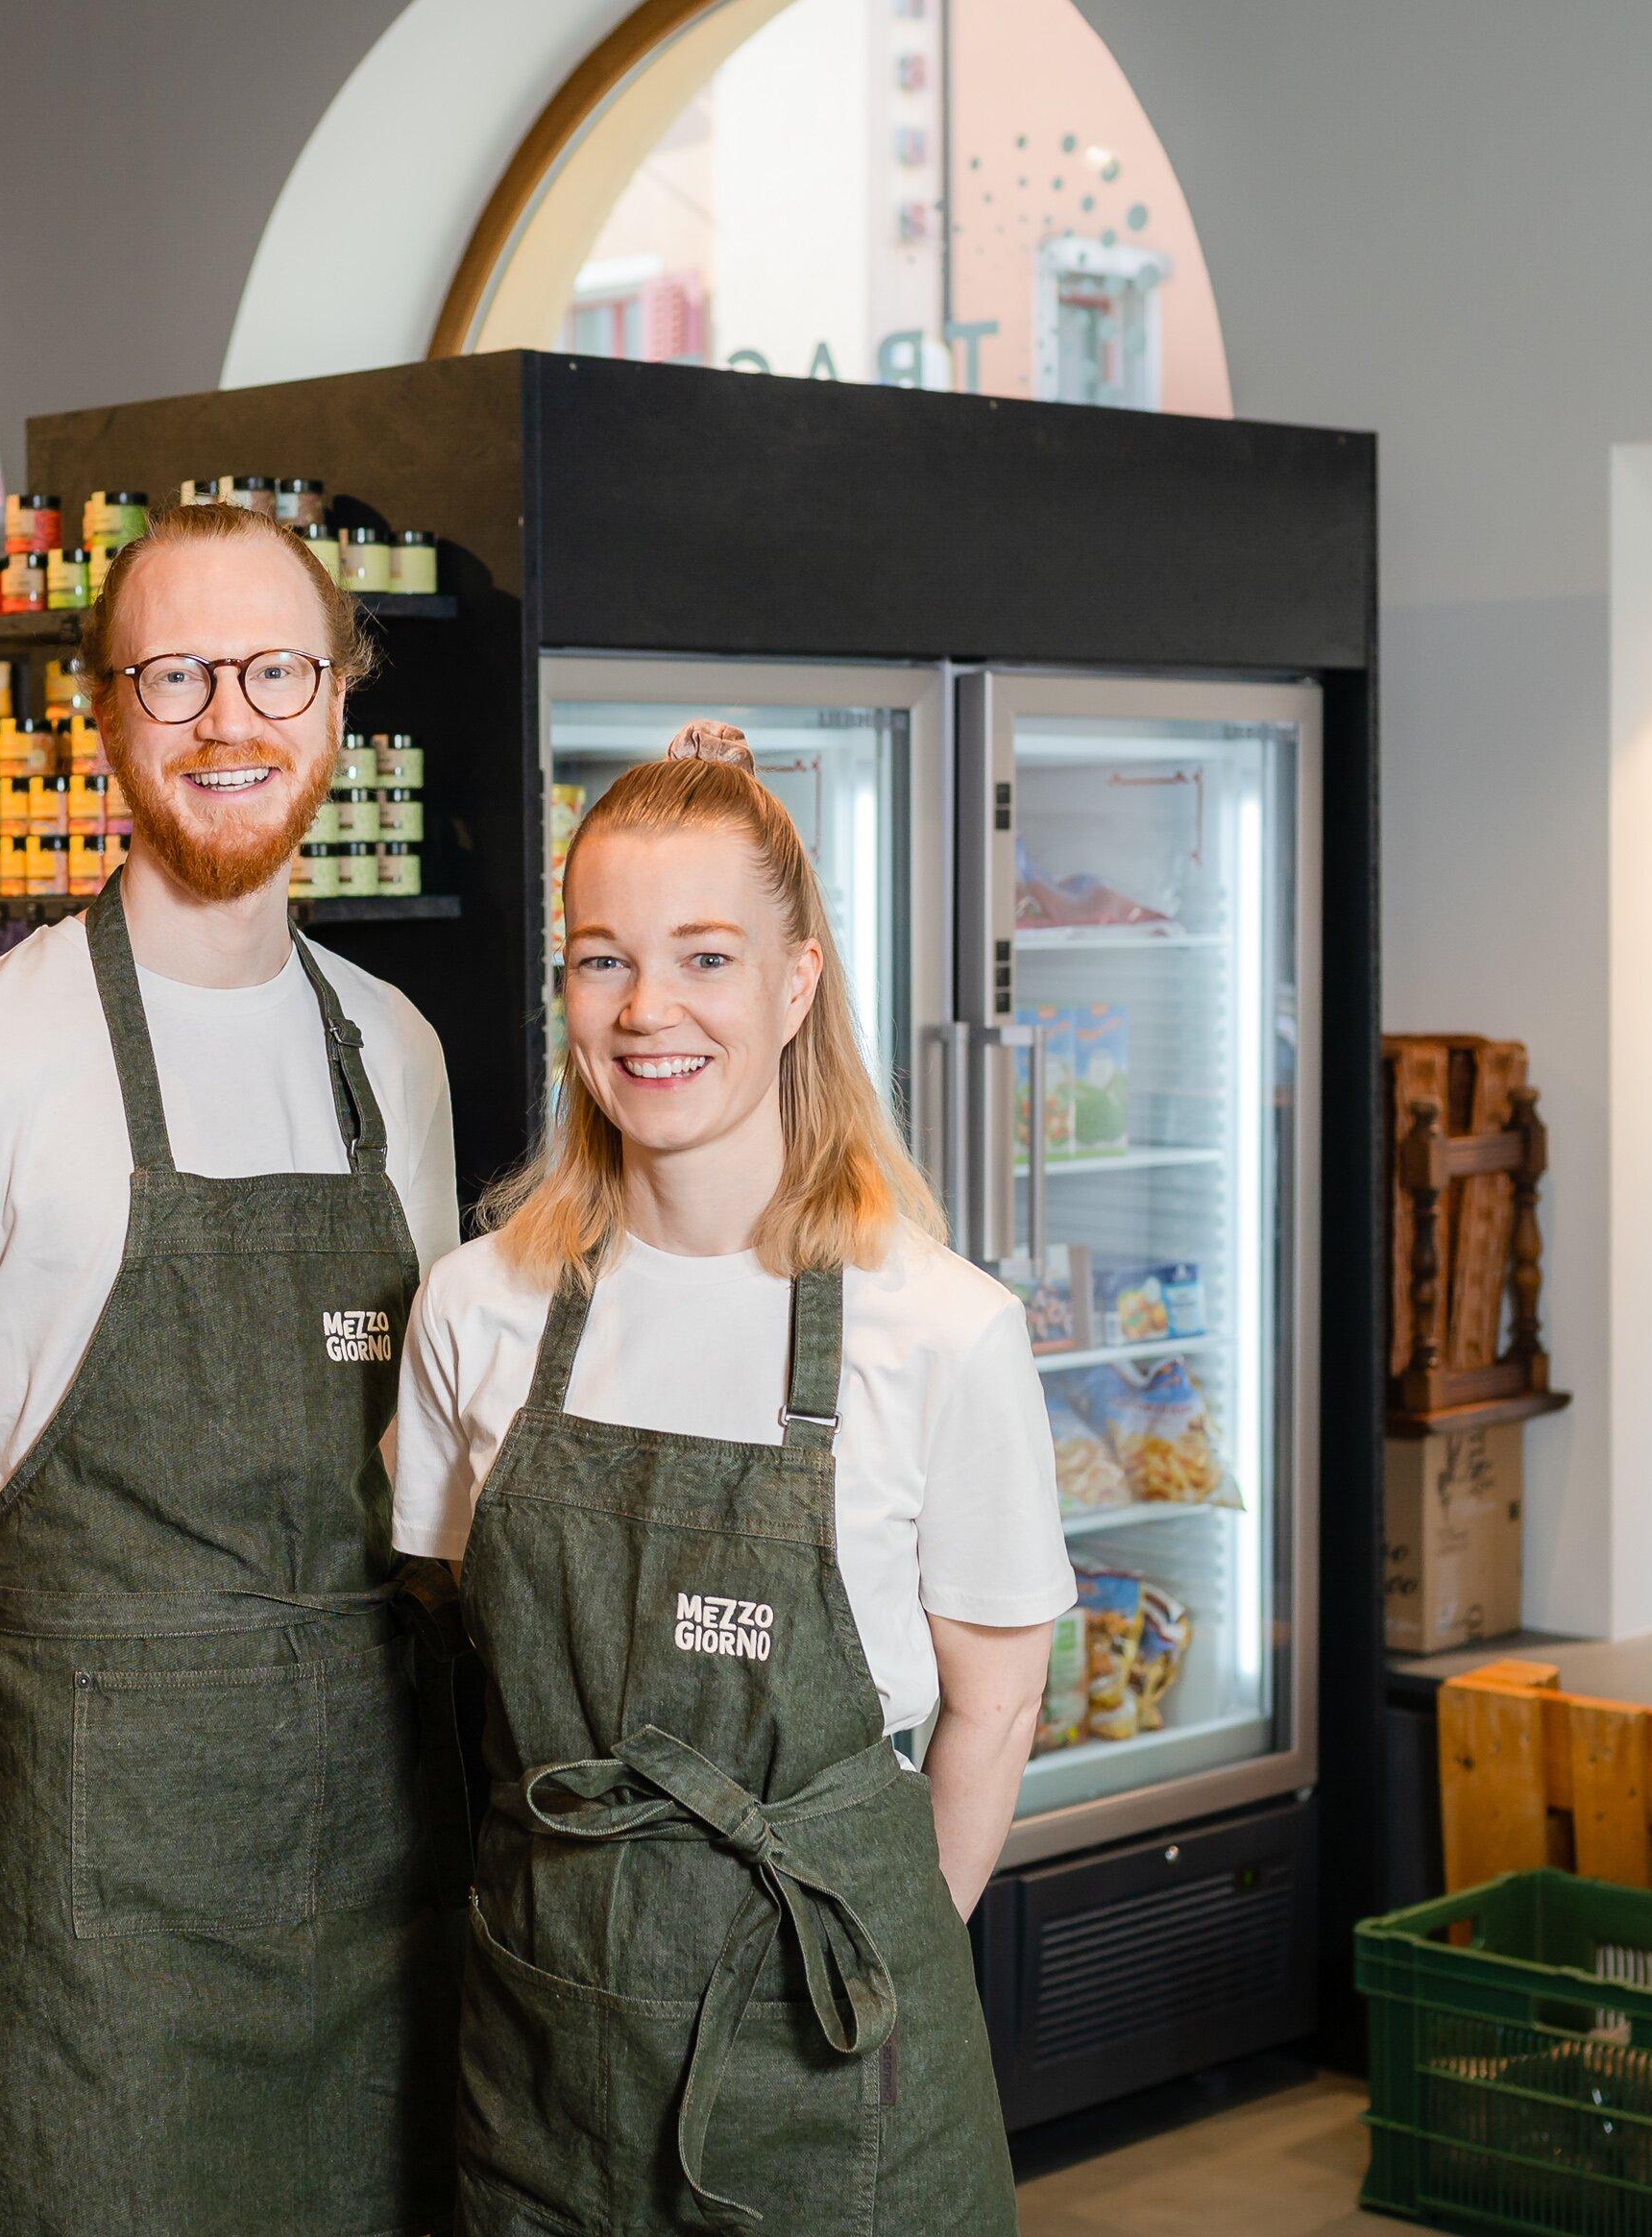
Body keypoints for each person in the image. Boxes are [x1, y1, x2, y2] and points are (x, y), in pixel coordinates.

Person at [0, 502, 469, 2234]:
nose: (231, 719)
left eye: (276, 670)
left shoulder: (399, 1052)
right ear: (102, 714)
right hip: (98, 1908)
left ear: (340, 705)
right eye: (177, 675)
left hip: (385, 1860)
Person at [394, 722, 1066, 2234]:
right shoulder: (477, 1309)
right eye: (602, 960)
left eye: (706, 957)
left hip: (834, 2038)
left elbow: (999, 1697)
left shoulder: (940, 1327)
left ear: (797, 981)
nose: (648, 1012)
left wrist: (860, 1949)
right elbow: (454, 1651)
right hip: (547, 2041)